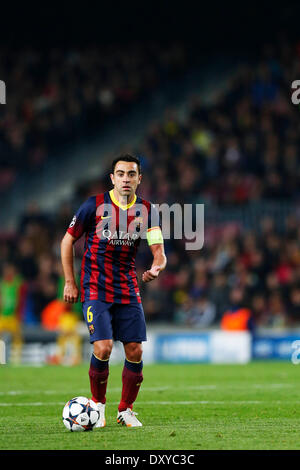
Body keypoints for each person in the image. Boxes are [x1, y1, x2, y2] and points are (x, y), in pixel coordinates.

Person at [60, 154, 167, 427]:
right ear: (112, 178)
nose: (126, 179)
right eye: (121, 174)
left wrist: (156, 267)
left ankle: (126, 409)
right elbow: (67, 241)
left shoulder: (146, 210)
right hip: (95, 287)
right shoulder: (93, 205)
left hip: (127, 288)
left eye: (131, 174)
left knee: (135, 351)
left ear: (139, 179)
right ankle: (97, 406)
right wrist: (70, 282)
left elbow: (159, 251)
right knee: (104, 346)